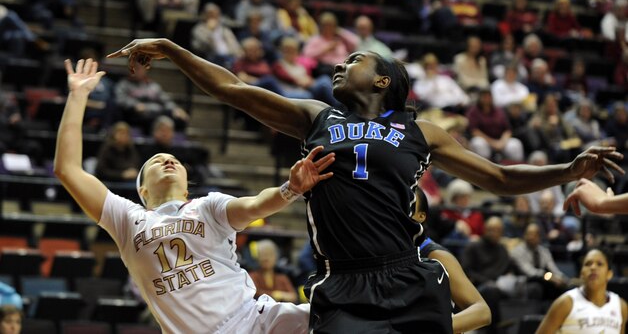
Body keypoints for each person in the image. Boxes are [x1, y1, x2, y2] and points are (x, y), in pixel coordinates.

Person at [108, 37, 622, 333]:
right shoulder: (315, 116)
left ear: (383, 82)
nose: (339, 64)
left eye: (354, 61)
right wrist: (171, 50)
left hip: (406, 274)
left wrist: (567, 171)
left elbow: (501, 177)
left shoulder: (420, 132)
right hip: (342, 283)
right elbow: (233, 89)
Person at [54, 58, 336, 334]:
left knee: (342, 316)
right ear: (143, 191)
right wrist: (78, 95)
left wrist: (291, 189)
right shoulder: (127, 220)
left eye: (174, 159)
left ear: (187, 187)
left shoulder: (208, 206)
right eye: (156, 161)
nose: (168, 161)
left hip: (255, 322)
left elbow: (254, 206)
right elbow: (67, 170)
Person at [413, 188, 492, 334]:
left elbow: (482, 312)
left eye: (408, 205)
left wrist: (430, 329)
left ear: (421, 216)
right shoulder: (380, 250)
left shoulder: (434, 254)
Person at [535, 248, 627, 333]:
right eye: (588, 264)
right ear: (581, 273)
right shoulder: (566, 302)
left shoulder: (620, 306)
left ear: (609, 274)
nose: (593, 267)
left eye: (599, 264)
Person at [248, 239, 298, 303]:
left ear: (276, 257)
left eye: (270, 254)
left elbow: (293, 296)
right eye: (263, 254)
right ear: (257, 257)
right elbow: (254, 292)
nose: (266, 258)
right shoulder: (252, 276)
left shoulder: (282, 278)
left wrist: (280, 295)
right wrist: (275, 294)